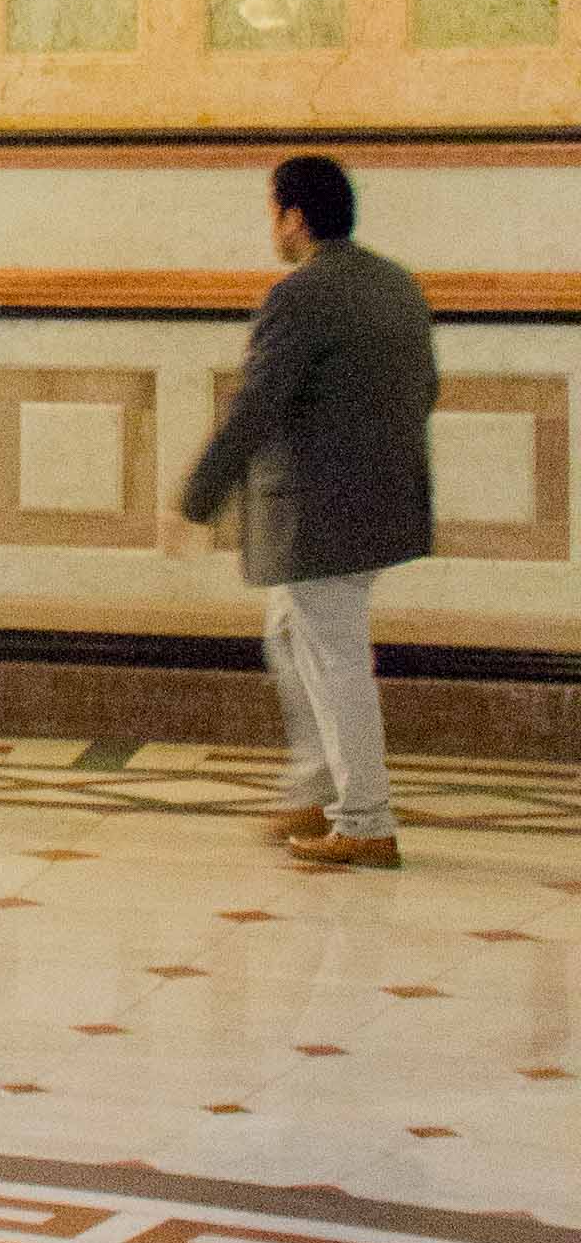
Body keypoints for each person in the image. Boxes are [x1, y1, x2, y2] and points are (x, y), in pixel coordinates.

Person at [176, 155, 438, 871]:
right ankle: (315, 785)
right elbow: (426, 390)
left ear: (294, 216)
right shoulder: (397, 284)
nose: (272, 227)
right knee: (292, 640)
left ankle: (364, 819)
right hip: (384, 502)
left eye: (273, 212)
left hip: (320, 516)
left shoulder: (300, 295)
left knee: (335, 661)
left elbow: (255, 406)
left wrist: (200, 495)